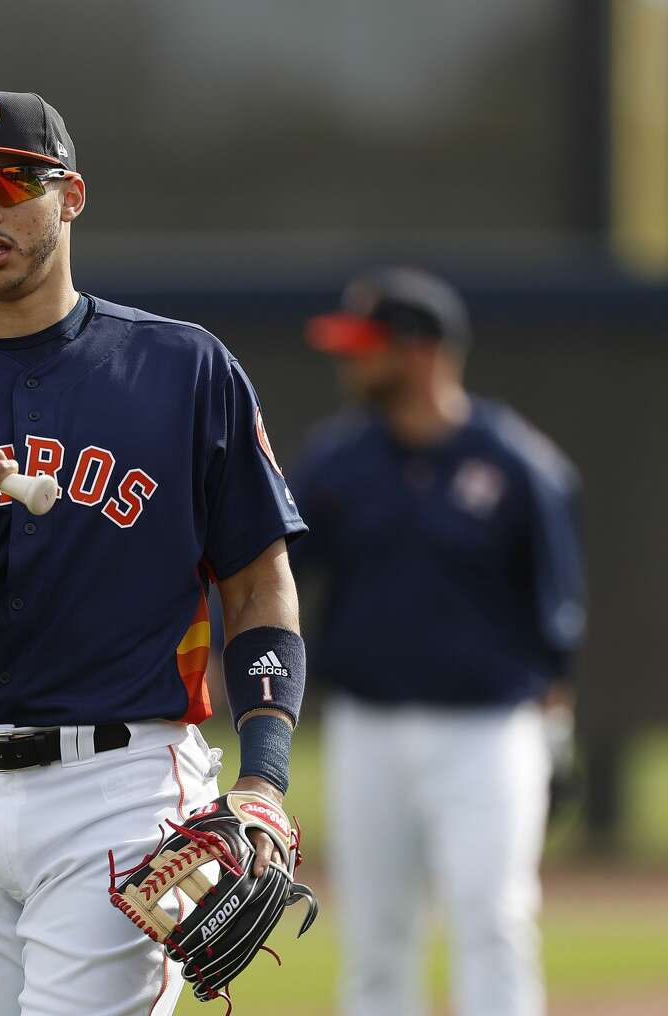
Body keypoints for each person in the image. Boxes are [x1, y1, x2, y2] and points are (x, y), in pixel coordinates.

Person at [0, 90, 310, 1015]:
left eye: (10, 182)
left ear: (71, 195)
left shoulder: (183, 368)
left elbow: (259, 584)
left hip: (123, 786)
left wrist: (265, 779)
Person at [289, 267, 586, 1016]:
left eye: (368, 346)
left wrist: (554, 733)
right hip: (368, 728)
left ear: (420, 352)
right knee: (376, 937)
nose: (351, 362)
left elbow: (556, 621)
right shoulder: (337, 462)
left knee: (493, 921)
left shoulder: (520, 467)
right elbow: (277, 574)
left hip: (489, 734)